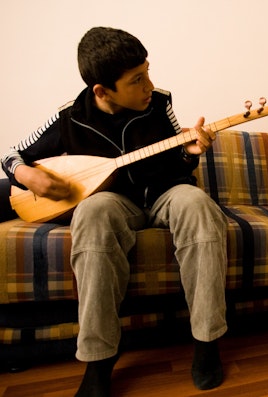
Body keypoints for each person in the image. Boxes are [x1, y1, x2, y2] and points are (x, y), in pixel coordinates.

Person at [1, 27, 228, 395]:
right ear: (102, 91)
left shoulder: (160, 103)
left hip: (163, 194)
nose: (149, 86)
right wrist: (28, 176)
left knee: (199, 204)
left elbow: (179, 163)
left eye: (148, 72)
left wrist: (190, 152)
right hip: (114, 203)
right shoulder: (69, 117)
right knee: (91, 212)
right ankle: (99, 358)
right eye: (137, 80)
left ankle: (206, 342)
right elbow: (11, 156)